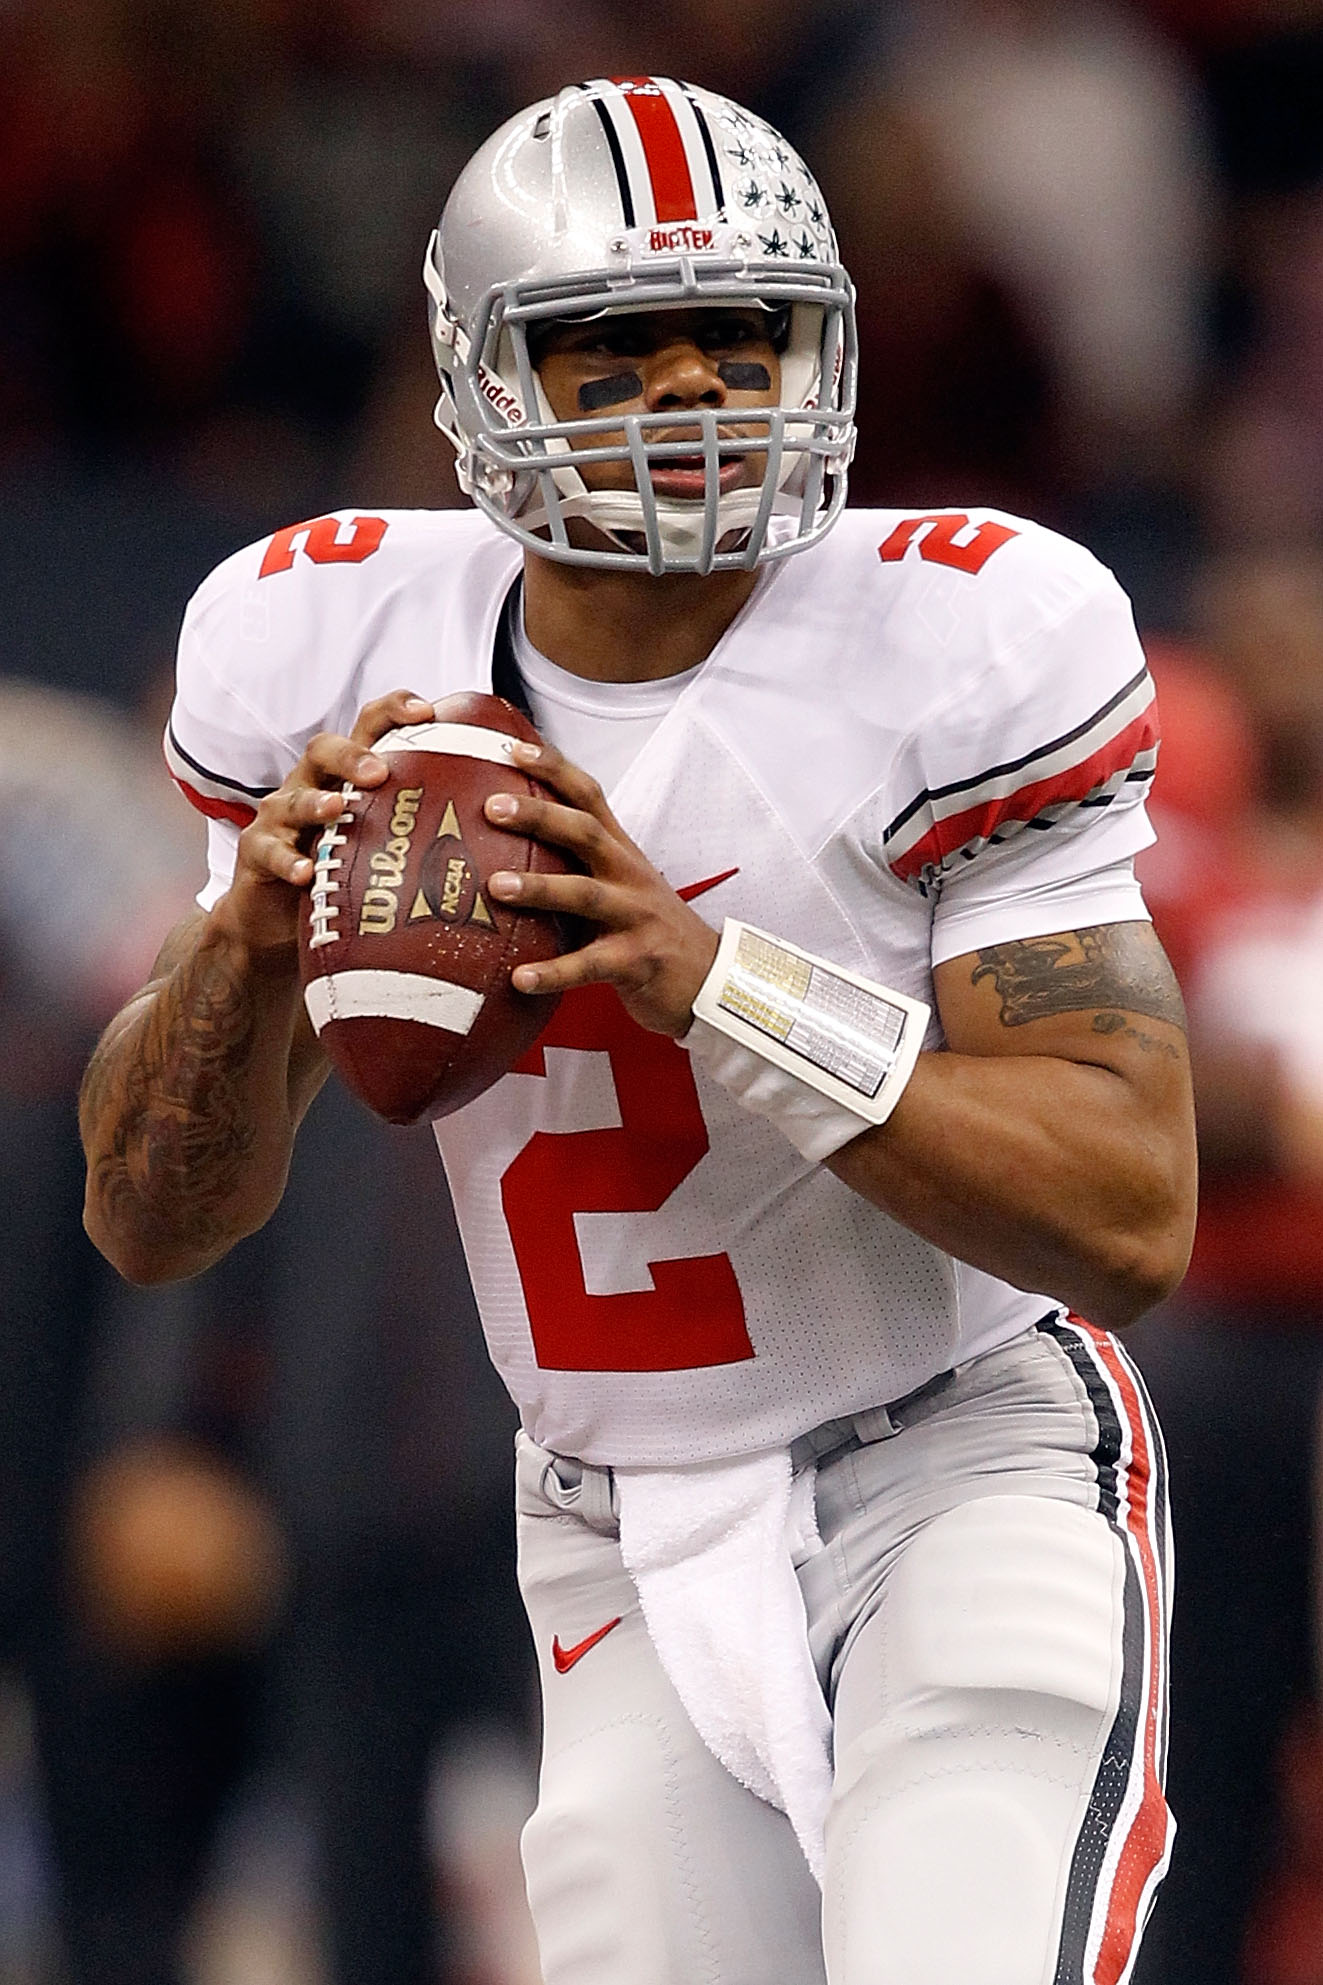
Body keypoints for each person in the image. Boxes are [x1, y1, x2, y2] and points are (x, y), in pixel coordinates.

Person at [79, 76, 1197, 1985]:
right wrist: (250, 946)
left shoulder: (963, 639)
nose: (693, 383)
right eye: (618, 341)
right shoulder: (326, 642)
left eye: (741, 329)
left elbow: (1129, 1210)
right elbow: (150, 1215)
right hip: (608, 1533)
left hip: (963, 1465)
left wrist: (710, 979)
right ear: (486, 377)